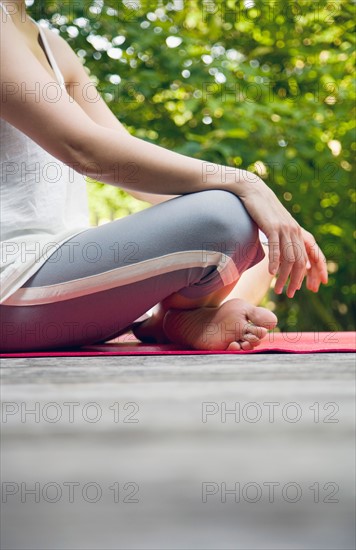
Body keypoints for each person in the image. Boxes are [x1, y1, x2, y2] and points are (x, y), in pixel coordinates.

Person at [0, 0, 328, 352]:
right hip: (13, 286)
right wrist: (248, 185)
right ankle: (180, 316)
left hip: (66, 285)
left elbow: (126, 164)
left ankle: (173, 320)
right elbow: (83, 149)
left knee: (261, 239)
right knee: (227, 217)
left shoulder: (52, 45)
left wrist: (269, 218)